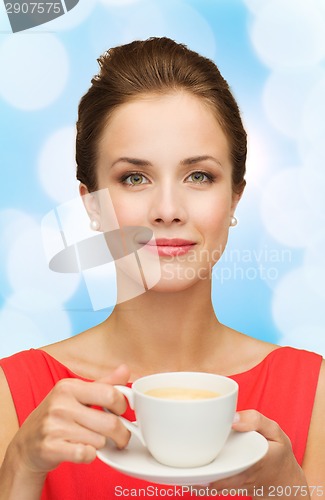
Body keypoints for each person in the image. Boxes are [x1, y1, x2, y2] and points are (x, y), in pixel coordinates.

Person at [0, 37, 324, 499]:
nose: (168, 209)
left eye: (199, 176)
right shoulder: (15, 394)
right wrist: (20, 469)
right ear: (91, 204)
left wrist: (291, 492)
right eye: (134, 177)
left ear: (235, 197)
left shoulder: (313, 393)